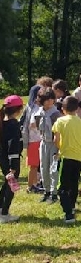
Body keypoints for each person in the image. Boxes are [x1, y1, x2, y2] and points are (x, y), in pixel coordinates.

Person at [52, 96, 81, 224]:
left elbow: (56, 140)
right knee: (74, 182)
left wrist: (60, 148)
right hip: (79, 157)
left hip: (66, 156)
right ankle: (73, 205)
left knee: (62, 186)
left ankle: (68, 213)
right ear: (78, 108)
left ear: (63, 109)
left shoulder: (60, 121)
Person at [32, 87, 61, 203]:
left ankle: (54, 193)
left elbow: (59, 132)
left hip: (54, 144)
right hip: (43, 143)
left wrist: (58, 147)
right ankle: (46, 191)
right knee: (44, 167)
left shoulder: (56, 114)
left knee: (53, 169)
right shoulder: (39, 112)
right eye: (47, 100)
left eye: (51, 99)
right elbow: (38, 127)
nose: (49, 102)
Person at [0, 95, 24, 223]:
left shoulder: (4, 124)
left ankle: (0, 208)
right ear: (18, 110)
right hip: (11, 160)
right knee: (11, 186)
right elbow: (13, 146)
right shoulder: (13, 125)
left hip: (3, 158)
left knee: (6, 183)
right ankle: (4, 213)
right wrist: (13, 166)